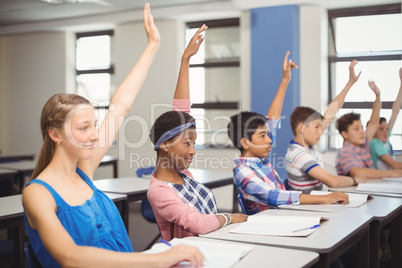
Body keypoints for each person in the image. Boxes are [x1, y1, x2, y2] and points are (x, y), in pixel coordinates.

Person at [22, 4, 204, 267]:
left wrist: (153, 44)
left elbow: (121, 104)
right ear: (55, 135)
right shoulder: (38, 193)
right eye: (83, 128)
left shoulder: (83, 172)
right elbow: (70, 257)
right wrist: (157, 260)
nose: (95, 135)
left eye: (94, 125)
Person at [227, 52, 349, 215]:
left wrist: (285, 81)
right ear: (245, 143)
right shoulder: (242, 171)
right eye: (263, 136)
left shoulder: (260, 160)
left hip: (285, 215)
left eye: (267, 135)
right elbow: (273, 196)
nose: (269, 140)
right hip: (270, 224)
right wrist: (324, 198)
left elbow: (273, 120)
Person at [285, 60, 366, 194]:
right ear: (301, 128)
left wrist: (350, 83)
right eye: (317, 127)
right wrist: (356, 179)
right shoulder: (298, 154)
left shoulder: (304, 148)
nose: (321, 131)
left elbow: (333, 109)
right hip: (308, 211)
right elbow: (332, 181)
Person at [336, 80, 402, 178]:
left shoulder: (363, 145)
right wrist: (393, 173)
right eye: (356, 129)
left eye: (362, 128)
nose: (362, 132)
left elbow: (374, 123)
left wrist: (378, 96)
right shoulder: (345, 152)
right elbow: (358, 172)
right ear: (344, 134)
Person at [369, 67, 402, 170]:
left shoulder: (385, 139)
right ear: (373, 131)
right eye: (381, 129)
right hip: (381, 182)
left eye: (386, 128)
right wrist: (378, 96)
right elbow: (394, 165)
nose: (385, 132)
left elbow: (395, 111)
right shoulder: (375, 143)